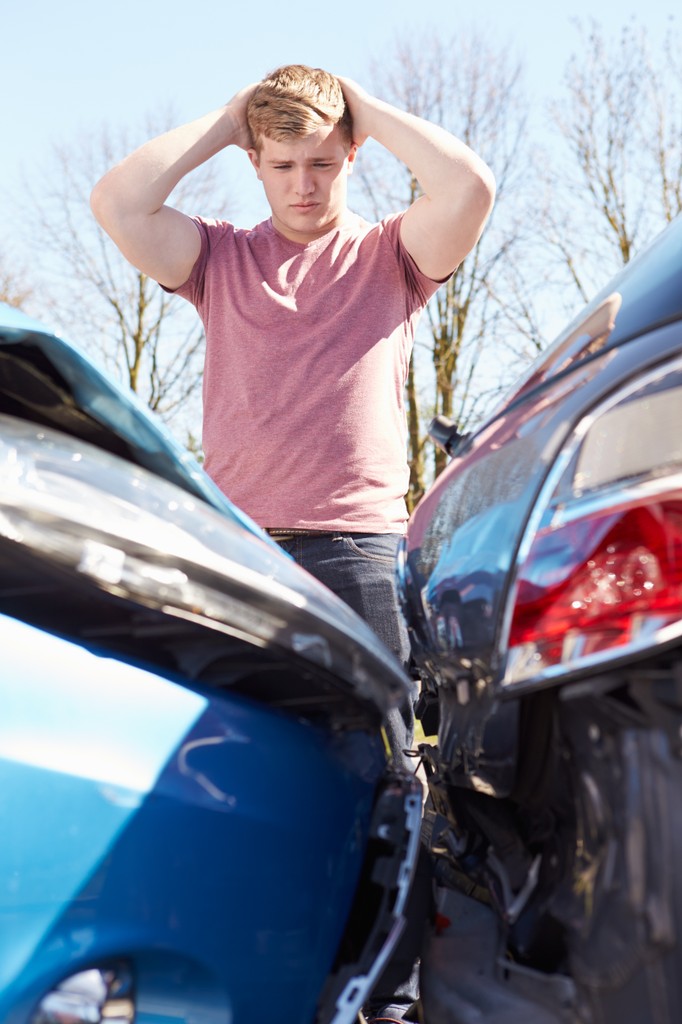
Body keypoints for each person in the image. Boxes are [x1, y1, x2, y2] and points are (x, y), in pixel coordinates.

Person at [90, 65, 494, 1019]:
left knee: (382, 782)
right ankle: (251, 986)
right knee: (229, 773)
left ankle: (387, 1002)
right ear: (256, 167)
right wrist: (225, 121)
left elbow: (470, 187)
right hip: (240, 558)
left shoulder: (394, 256)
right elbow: (117, 199)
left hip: (356, 552)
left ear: (352, 157)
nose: (306, 185)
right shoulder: (218, 259)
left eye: (324, 162)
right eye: (283, 166)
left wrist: (363, 102)